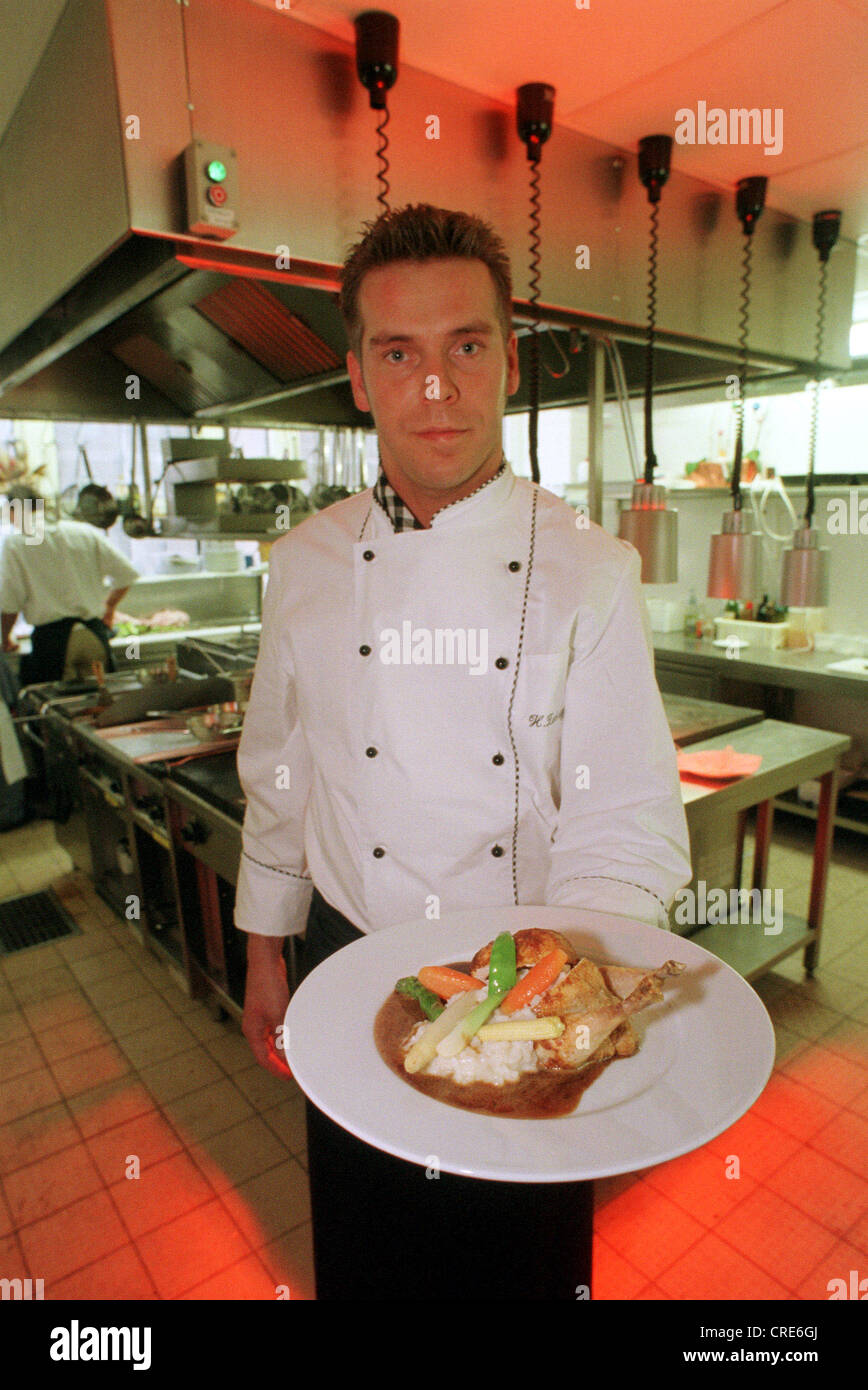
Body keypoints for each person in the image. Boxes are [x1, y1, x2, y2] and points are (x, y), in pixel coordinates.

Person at [234, 203, 692, 1299]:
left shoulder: (588, 567)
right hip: (344, 963)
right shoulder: (302, 562)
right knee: (368, 1239)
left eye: (464, 346)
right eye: (399, 352)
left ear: (508, 364)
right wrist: (263, 946)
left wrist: (563, 1009)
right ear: (357, 375)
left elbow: (621, 809)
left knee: (514, 1265)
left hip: (518, 978)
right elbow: (281, 769)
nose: (433, 387)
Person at [0, 483, 140, 686]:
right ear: (41, 506)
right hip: (93, 635)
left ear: (13, 511)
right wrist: (109, 608)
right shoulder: (83, 532)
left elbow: (10, 602)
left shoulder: (16, 543)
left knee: (59, 710)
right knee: (102, 706)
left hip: (53, 644)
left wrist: (6, 638)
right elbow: (127, 575)